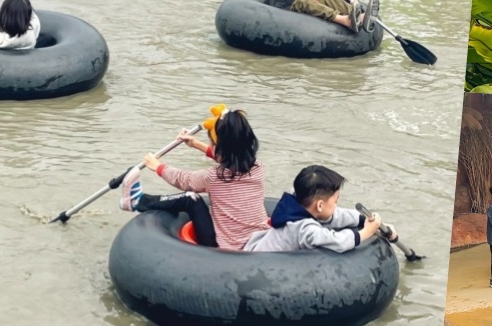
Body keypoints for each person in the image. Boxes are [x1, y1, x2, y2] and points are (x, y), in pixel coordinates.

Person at [120, 107, 270, 250]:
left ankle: (137, 201)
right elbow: (233, 155)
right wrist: (195, 144)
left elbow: (183, 179)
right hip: (258, 241)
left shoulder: (213, 177)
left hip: (226, 248)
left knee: (190, 198)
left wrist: (157, 166)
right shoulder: (258, 168)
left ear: (220, 147)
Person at [245, 165, 397, 252]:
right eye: (336, 201)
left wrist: (365, 220)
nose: (337, 205)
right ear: (319, 205)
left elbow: (334, 216)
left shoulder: (297, 201)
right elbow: (337, 241)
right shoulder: (304, 229)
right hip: (257, 262)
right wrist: (367, 232)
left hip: (255, 245)